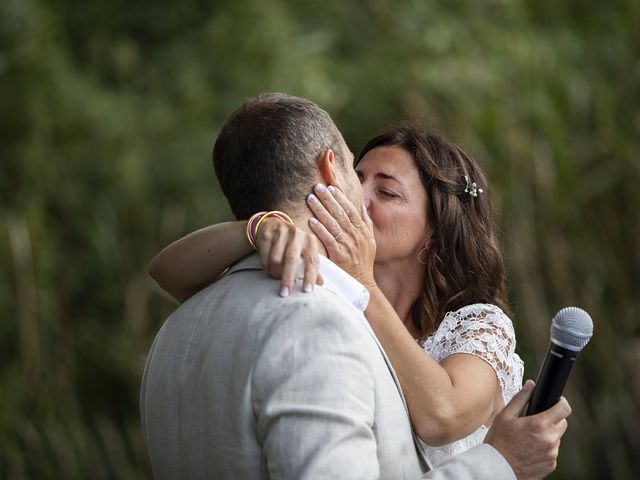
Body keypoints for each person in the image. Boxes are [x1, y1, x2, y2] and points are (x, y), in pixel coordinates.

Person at [141, 92, 571, 479]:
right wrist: (261, 226)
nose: (357, 197)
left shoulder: (476, 326)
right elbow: (165, 271)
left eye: (386, 193)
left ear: (435, 229)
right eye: (357, 176)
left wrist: (363, 280)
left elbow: (443, 415)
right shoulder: (326, 296)